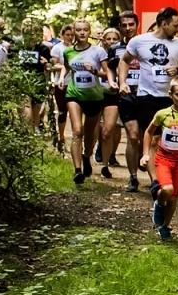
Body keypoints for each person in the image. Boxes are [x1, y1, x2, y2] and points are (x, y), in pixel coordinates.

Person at [121, 7, 178, 194]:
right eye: (175, 25)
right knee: (152, 140)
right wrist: (122, 82)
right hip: (147, 97)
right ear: (164, 24)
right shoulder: (139, 41)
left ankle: (161, 174)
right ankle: (156, 182)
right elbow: (125, 60)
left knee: (166, 141)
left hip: (171, 99)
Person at [53, 19, 113, 185]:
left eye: (85, 30)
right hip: (74, 94)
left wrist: (93, 70)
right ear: (74, 31)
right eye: (78, 30)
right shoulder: (68, 51)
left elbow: (106, 73)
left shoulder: (98, 52)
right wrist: (61, 77)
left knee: (88, 133)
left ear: (89, 31)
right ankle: (77, 170)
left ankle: (87, 156)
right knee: (77, 130)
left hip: (94, 96)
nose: (81, 33)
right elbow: (66, 66)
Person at [142, 76, 178, 241]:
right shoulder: (163, 114)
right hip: (163, 159)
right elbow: (148, 132)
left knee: (174, 198)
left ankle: (165, 226)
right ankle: (159, 205)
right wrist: (146, 153)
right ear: (171, 94)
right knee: (166, 190)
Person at [110, 11, 140, 180]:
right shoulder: (115, 48)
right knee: (133, 136)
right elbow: (109, 66)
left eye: (131, 25)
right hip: (126, 96)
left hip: (146, 96)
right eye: (124, 25)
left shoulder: (146, 45)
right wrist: (113, 81)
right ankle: (133, 177)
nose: (128, 28)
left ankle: (143, 161)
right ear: (120, 27)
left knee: (145, 138)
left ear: (137, 25)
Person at [95, 27, 125, 178]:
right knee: (96, 127)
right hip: (96, 93)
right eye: (109, 39)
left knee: (111, 128)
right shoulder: (97, 53)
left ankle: (107, 160)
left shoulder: (122, 53)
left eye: (115, 39)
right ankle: (95, 151)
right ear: (103, 40)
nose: (112, 42)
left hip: (114, 94)